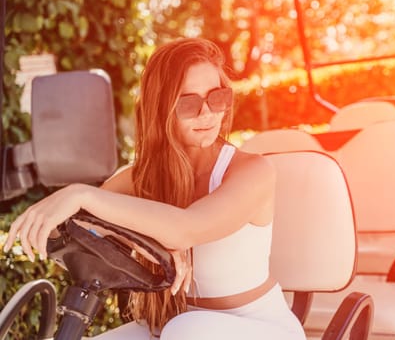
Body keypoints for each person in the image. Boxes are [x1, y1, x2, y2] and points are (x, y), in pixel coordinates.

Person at [3, 38, 306, 340]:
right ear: (161, 107)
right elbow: (81, 232)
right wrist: (144, 238)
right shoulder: (142, 178)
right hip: (180, 329)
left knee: (185, 330)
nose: (207, 113)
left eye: (217, 97)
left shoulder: (252, 171)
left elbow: (187, 227)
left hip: (260, 328)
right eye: (189, 102)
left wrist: (80, 193)